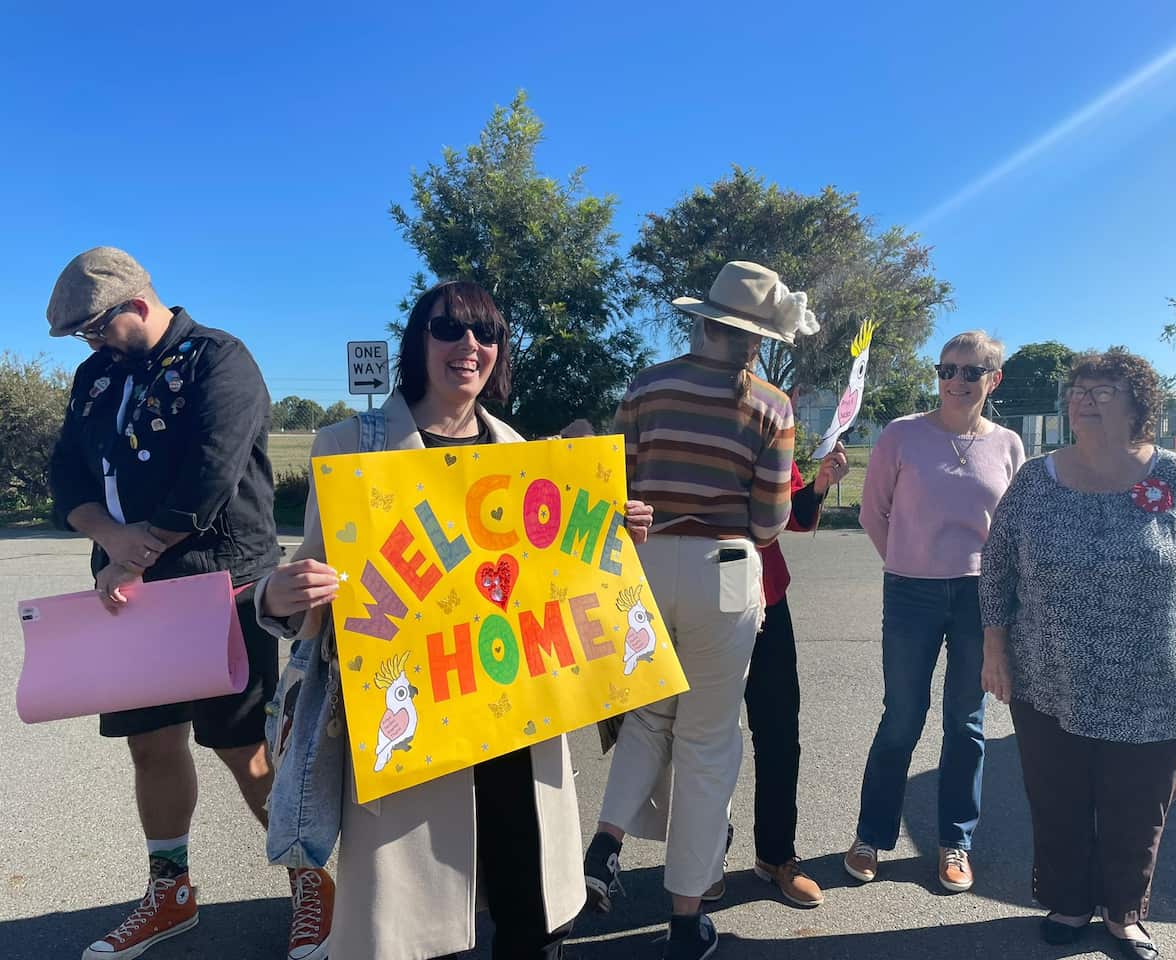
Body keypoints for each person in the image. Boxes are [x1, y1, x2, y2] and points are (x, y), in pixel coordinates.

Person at [257, 280, 654, 960]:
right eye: (449, 328)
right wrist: (278, 597)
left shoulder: (522, 451)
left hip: (512, 712)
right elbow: (306, 587)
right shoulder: (351, 447)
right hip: (413, 716)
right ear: (420, 341)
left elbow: (556, 581)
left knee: (526, 904)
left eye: (487, 334)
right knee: (414, 923)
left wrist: (613, 539)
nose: (469, 345)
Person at [44, 247, 330, 960]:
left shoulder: (218, 360)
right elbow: (66, 475)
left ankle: (311, 885)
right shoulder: (95, 376)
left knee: (244, 751)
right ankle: (170, 891)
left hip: (219, 588)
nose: (92, 344)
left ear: (137, 305)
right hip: (125, 593)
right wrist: (112, 543)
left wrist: (132, 553)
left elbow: (209, 477)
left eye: (97, 328)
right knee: (151, 745)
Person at [980, 348, 1176, 960]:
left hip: (1158, 684)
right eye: (1079, 389)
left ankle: (1125, 913)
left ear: (1139, 406)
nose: (1085, 398)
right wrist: (995, 651)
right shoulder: (1036, 480)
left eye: (1103, 390)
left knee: (1139, 809)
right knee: (1058, 800)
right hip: (1050, 679)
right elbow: (996, 569)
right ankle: (1070, 902)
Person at [583, 261, 813, 960]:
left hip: (649, 563)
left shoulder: (645, 387)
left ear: (702, 320)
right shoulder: (772, 405)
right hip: (727, 568)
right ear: (754, 338)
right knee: (710, 742)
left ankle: (606, 840)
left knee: (651, 715)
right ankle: (685, 917)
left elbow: (617, 484)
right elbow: (771, 522)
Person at [846, 331, 1023, 894]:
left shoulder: (1009, 446)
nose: (955, 381)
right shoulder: (902, 435)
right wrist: (907, 561)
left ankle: (955, 842)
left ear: (993, 379)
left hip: (980, 599)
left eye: (971, 372)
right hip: (911, 594)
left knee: (966, 724)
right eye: (946, 369)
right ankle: (872, 836)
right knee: (901, 717)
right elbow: (874, 513)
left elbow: (1014, 529)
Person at [701, 448, 850, 910]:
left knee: (780, 733)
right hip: (707, 588)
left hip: (767, 593)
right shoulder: (689, 417)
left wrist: (820, 484)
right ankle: (702, 859)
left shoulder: (768, 425)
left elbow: (794, 516)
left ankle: (776, 855)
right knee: (709, 735)